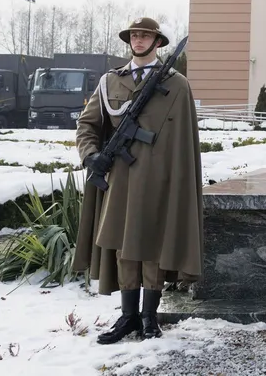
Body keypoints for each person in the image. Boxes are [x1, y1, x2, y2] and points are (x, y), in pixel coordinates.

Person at [72, 17, 204, 345]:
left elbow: (185, 142)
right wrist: (92, 157)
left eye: (146, 35)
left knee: (153, 247)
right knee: (123, 248)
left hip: (160, 181)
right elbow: (87, 126)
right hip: (120, 179)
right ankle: (128, 317)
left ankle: (149, 318)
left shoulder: (177, 84)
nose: (139, 40)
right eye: (135, 35)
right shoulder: (110, 82)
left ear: (157, 42)